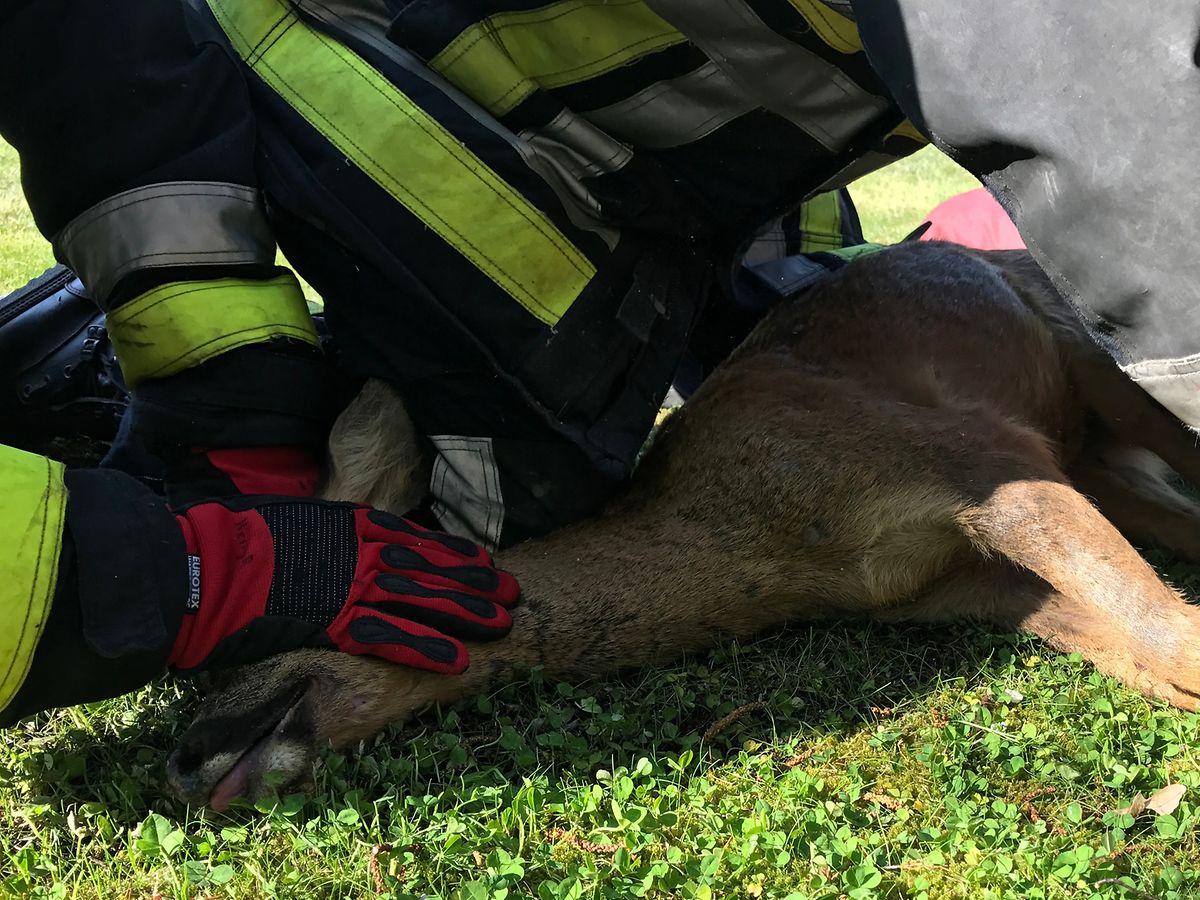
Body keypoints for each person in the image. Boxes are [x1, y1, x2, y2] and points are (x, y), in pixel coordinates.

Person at [1, 0, 1194, 727]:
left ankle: (209, 416)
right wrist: (199, 536)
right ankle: (219, 423)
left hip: (605, 219)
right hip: (452, 205)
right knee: (491, 532)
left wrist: (787, 301)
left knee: (503, 522)